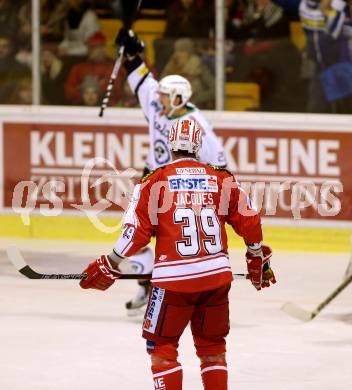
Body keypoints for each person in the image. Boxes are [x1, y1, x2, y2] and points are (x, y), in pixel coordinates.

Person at [79, 118, 276, 390]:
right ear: (198, 146)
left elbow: (136, 233)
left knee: (161, 348)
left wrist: (110, 264)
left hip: (173, 283)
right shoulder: (221, 177)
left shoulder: (154, 181)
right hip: (217, 279)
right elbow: (250, 220)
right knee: (213, 349)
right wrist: (256, 256)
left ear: (169, 145)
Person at [115, 28, 227, 315]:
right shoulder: (157, 104)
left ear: (178, 98)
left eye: (165, 96)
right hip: (152, 176)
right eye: (161, 94)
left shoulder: (197, 125)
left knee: (173, 240)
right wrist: (130, 50)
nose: (159, 99)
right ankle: (146, 285)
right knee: (133, 229)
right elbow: (139, 76)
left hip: (180, 186)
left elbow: (220, 167)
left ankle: (178, 289)